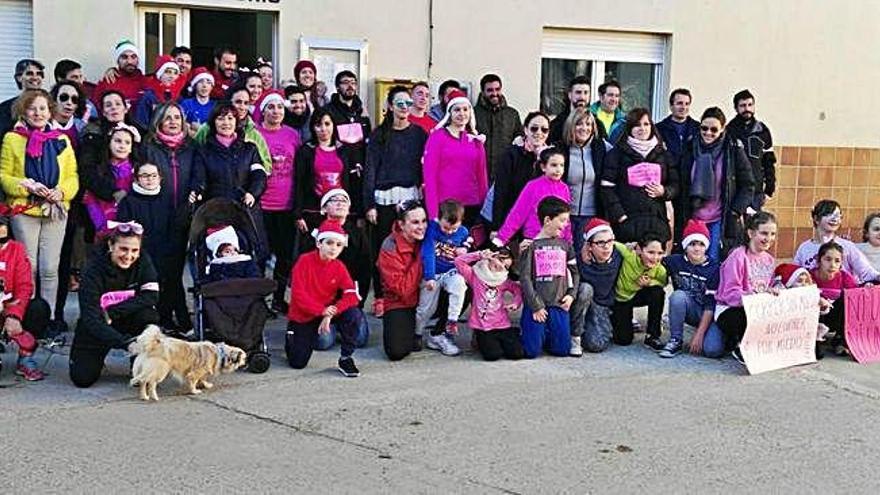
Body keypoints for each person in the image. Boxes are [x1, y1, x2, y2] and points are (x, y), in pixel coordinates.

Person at [0, 89, 79, 330]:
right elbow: (4, 176)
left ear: (50, 111)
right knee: (29, 267)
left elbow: (72, 175)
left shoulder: (61, 140)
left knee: (49, 268)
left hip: (54, 210)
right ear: (24, 111)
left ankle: (48, 318)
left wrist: (62, 193)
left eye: (43, 108)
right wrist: (25, 186)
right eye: (32, 108)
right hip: (25, 210)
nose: (38, 113)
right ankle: (27, 319)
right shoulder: (12, 139)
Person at [68, 222, 160, 388]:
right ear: (111, 245)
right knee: (82, 379)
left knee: (148, 315)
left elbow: (151, 296)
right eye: (123, 249)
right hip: (97, 326)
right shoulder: (92, 269)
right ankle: (99, 358)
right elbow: (91, 319)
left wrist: (112, 312)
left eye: (134, 250)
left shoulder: (144, 260)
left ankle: (139, 366)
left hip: (120, 318)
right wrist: (126, 343)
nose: (129, 256)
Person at [364, 85, 427, 310]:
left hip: (410, 198)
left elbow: (425, 167)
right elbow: (370, 170)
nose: (404, 108)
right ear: (390, 106)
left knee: (409, 245)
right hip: (383, 198)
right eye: (400, 103)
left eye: (408, 104)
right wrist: (369, 204)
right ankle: (381, 296)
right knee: (383, 246)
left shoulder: (419, 134)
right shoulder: (379, 135)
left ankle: (409, 292)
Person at [141, 102, 198, 331]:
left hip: (183, 214)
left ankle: (177, 316)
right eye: (168, 118)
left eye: (177, 117)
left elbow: (197, 175)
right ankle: (168, 317)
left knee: (174, 270)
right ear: (159, 122)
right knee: (159, 270)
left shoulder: (191, 147)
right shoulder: (149, 147)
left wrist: (195, 193)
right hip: (156, 214)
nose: (173, 121)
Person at [675, 107, 755, 260]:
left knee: (713, 260)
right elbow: (680, 180)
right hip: (693, 216)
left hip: (720, 218)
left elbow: (748, 184)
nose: (708, 133)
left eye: (714, 129)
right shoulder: (690, 147)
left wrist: (735, 211)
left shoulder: (732, 149)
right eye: (704, 128)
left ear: (723, 129)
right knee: (693, 260)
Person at [285, 220, 362, 377]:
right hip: (305, 315)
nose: (334, 248)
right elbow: (298, 295)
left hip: (327, 311)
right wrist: (322, 311)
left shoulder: (339, 266)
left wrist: (331, 312)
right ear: (319, 243)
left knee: (354, 314)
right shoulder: (304, 261)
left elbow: (351, 294)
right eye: (329, 243)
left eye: (339, 245)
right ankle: (293, 336)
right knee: (297, 362)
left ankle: (346, 357)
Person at [600, 108, 679, 244]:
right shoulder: (617, 153)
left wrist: (664, 191)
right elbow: (606, 187)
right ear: (629, 128)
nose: (642, 128)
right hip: (628, 223)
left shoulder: (663, 154)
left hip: (656, 222)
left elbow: (675, 184)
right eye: (637, 125)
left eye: (646, 124)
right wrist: (620, 216)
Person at [116, 162, 180, 329]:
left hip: (165, 252)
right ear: (137, 179)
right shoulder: (128, 201)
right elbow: (124, 231)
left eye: (153, 175)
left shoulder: (167, 199)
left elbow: (174, 227)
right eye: (144, 176)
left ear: (160, 178)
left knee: (167, 284)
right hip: (138, 254)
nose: (150, 179)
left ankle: (165, 320)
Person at [255, 90, 301, 312]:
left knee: (285, 256)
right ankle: (259, 300)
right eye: (271, 107)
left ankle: (280, 298)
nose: (276, 111)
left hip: (287, 205)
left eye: (280, 107)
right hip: (262, 204)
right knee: (261, 256)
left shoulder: (293, 135)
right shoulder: (254, 133)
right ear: (263, 110)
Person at [518, 197, 579, 358]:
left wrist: (571, 295)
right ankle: (534, 332)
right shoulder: (530, 246)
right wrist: (536, 305)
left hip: (558, 303)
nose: (565, 224)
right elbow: (525, 278)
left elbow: (575, 273)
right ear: (547, 220)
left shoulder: (566, 246)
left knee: (562, 350)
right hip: (537, 305)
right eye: (562, 220)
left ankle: (547, 333)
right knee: (531, 352)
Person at [715, 211, 779, 363]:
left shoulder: (769, 260)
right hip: (730, 309)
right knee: (713, 349)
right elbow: (730, 293)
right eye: (764, 233)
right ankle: (738, 344)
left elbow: (768, 286)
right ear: (751, 233)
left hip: (756, 307)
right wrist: (754, 296)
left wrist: (774, 290)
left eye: (772, 234)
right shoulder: (738, 256)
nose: (768, 239)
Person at [293, 107, 361, 248]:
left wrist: (357, 212)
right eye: (318, 125)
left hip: (339, 210)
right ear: (313, 128)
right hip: (313, 211)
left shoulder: (344, 150)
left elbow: (351, 182)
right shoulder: (306, 151)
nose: (323, 129)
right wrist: (298, 214)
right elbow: (299, 183)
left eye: (327, 124)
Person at [423, 89, 488, 232]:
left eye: (465, 109)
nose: (462, 113)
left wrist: (485, 210)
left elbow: (482, 177)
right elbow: (430, 176)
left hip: (472, 205)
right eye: (457, 109)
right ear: (450, 113)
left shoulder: (475, 140)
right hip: (446, 206)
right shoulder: (437, 137)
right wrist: (433, 213)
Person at [660, 220, 724, 358]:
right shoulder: (675, 261)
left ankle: (725, 338)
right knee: (677, 296)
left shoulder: (714, 269)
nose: (697, 248)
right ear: (685, 245)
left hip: (709, 314)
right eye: (692, 244)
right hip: (690, 310)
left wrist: (699, 335)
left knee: (713, 350)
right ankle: (676, 339)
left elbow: (710, 306)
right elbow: (654, 260)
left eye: (701, 244)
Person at [416, 199, 471, 356]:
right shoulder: (432, 229)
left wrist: (465, 247)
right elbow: (428, 253)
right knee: (426, 307)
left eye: (454, 229)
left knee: (460, 286)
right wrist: (430, 276)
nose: (449, 232)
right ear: (438, 218)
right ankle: (417, 333)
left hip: (450, 271)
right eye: (446, 228)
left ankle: (451, 321)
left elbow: (468, 240)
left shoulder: (463, 231)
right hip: (433, 273)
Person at [0, 214, 50, 381]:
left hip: (10, 305)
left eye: (3, 241)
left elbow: (24, 286)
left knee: (39, 308)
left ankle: (25, 357)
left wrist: (13, 315)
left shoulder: (17, 249)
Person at [191, 102, 267, 209]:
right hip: (216, 209)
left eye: (230, 118)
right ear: (214, 123)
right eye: (221, 119)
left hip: (246, 209)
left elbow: (259, 175)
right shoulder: (204, 151)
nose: (226, 123)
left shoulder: (250, 149)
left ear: (236, 122)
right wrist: (197, 191)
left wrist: (253, 193)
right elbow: (199, 178)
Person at [378, 201, 427, 361]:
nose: (421, 227)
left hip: (425, 296)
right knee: (397, 352)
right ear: (401, 224)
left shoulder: (429, 237)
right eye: (415, 222)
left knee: (460, 286)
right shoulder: (389, 246)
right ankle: (412, 328)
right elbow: (402, 289)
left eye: (424, 221)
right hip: (400, 302)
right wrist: (422, 256)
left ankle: (438, 331)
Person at [454, 248, 524, 361]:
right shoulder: (474, 275)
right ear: (493, 256)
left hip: (502, 324)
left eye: (505, 267)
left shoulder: (503, 280)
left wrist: (515, 303)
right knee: (492, 355)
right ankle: (478, 338)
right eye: (500, 260)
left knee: (517, 354)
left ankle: (513, 332)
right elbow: (458, 261)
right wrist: (480, 255)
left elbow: (517, 289)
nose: (501, 267)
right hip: (483, 326)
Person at [558, 109, 612, 253]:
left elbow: (622, 154)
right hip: (565, 215)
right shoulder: (561, 149)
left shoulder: (601, 147)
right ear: (571, 126)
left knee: (584, 257)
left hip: (591, 216)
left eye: (588, 124)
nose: (584, 128)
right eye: (579, 124)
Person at [495, 148, 573, 245]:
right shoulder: (533, 186)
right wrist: (501, 238)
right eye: (553, 165)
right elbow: (518, 213)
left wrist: (568, 241)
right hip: (533, 239)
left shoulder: (564, 188)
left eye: (562, 165)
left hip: (557, 241)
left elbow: (566, 219)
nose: (558, 169)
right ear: (543, 167)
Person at [793, 200, 880, 284]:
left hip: (841, 296)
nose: (835, 219)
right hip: (813, 295)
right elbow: (795, 274)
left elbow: (866, 272)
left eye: (838, 216)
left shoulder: (847, 246)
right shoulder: (804, 248)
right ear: (816, 219)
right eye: (829, 214)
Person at [490, 111, 550, 233]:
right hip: (511, 220)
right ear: (525, 130)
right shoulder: (511, 154)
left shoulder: (550, 157)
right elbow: (501, 192)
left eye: (544, 130)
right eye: (534, 128)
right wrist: (497, 227)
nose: (539, 133)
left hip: (537, 223)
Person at [569, 218, 622, 354]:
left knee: (596, 344)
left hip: (602, 305)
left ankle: (591, 328)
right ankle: (575, 335)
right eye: (600, 243)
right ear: (590, 246)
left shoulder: (619, 255)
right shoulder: (581, 259)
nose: (606, 246)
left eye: (610, 241)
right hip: (582, 302)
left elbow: (637, 250)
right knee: (585, 288)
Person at [194, 84, 272, 172]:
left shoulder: (254, 133)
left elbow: (267, 165)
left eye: (246, 103)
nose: (242, 107)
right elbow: (194, 154)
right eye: (238, 102)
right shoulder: (207, 128)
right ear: (229, 102)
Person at [610, 233, 668, 350]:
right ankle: (616, 319)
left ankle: (653, 335)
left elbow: (663, 283)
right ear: (639, 250)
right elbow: (609, 242)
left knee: (657, 292)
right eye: (651, 252)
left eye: (660, 253)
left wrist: (649, 283)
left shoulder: (660, 269)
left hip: (638, 294)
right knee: (623, 340)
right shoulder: (629, 254)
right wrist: (587, 246)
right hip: (621, 299)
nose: (655, 258)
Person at [324, 70, 370, 215]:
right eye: (345, 83)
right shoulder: (328, 112)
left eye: (353, 82)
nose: (350, 86)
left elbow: (367, 140)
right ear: (337, 87)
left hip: (360, 172)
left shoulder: (361, 112)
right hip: (337, 172)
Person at [81, 123, 138, 234]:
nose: (122, 146)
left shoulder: (136, 173)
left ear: (131, 148)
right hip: (103, 229)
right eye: (117, 141)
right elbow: (91, 201)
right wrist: (102, 227)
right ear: (109, 143)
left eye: (127, 142)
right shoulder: (99, 171)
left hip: (129, 231)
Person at [726, 89, 776, 212]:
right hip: (735, 190)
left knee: (754, 226)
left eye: (750, 105)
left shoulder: (762, 130)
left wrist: (769, 189)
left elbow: (769, 161)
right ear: (736, 108)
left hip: (756, 191)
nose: (747, 109)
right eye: (742, 106)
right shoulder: (729, 131)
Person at [811, 241, 859, 357]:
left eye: (837, 261)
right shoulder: (809, 276)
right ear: (819, 260)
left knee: (849, 297)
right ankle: (814, 342)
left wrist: (867, 287)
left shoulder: (845, 277)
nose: (832, 265)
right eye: (828, 259)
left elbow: (857, 297)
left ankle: (840, 339)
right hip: (816, 318)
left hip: (835, 318)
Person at [474, 73, 522, 180]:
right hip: (478, 173)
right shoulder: (473, 114)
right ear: (483, 92)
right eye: (490, 90)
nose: (494, 93)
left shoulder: (512, 114)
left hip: (505, 173)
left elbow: (519, 141)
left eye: (497, 89)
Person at [134, 55, 186, 128]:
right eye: (168, 72)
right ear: (160, 74)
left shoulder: (179, 98)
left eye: (175, 73)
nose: (172, 76)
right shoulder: (149, 96)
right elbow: (141, 122)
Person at [94, 40, 147, 108]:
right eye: (124, 57)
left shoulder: (146, 82)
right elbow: (96, 108)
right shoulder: (108, 81)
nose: (129, 61)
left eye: (133, 57)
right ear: (117, 60)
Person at [0, 59, 45, 136]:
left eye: (39, 74)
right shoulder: (5, 108)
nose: (35, 77)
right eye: (29, 73)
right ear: (19, 78)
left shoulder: (49, 103)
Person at [655, 88, 700, 162]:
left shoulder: (697, 128)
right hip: (668, 171)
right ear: (671, 106)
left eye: (687, 104)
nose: (683, 107)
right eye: (679, 103)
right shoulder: (659, 129)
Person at [548, 75, 590, 144]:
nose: (582, 97)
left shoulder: (597, 125)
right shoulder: (557, 125)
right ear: (570, 95)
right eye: (578, 92)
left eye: (586, 93)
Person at [50, 80, 88, 149]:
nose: (69, 102)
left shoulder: (83, 129)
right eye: (64, 97)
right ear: (54, 100)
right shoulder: (43, 126)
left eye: (74, 100)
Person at [179, 67, 215, 135]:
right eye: (201, 82)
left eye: (208, 82)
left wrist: (201, 128)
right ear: (195, 85)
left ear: (212, 87)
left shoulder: (215, 105)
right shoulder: (186, 104)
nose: (204, 85)